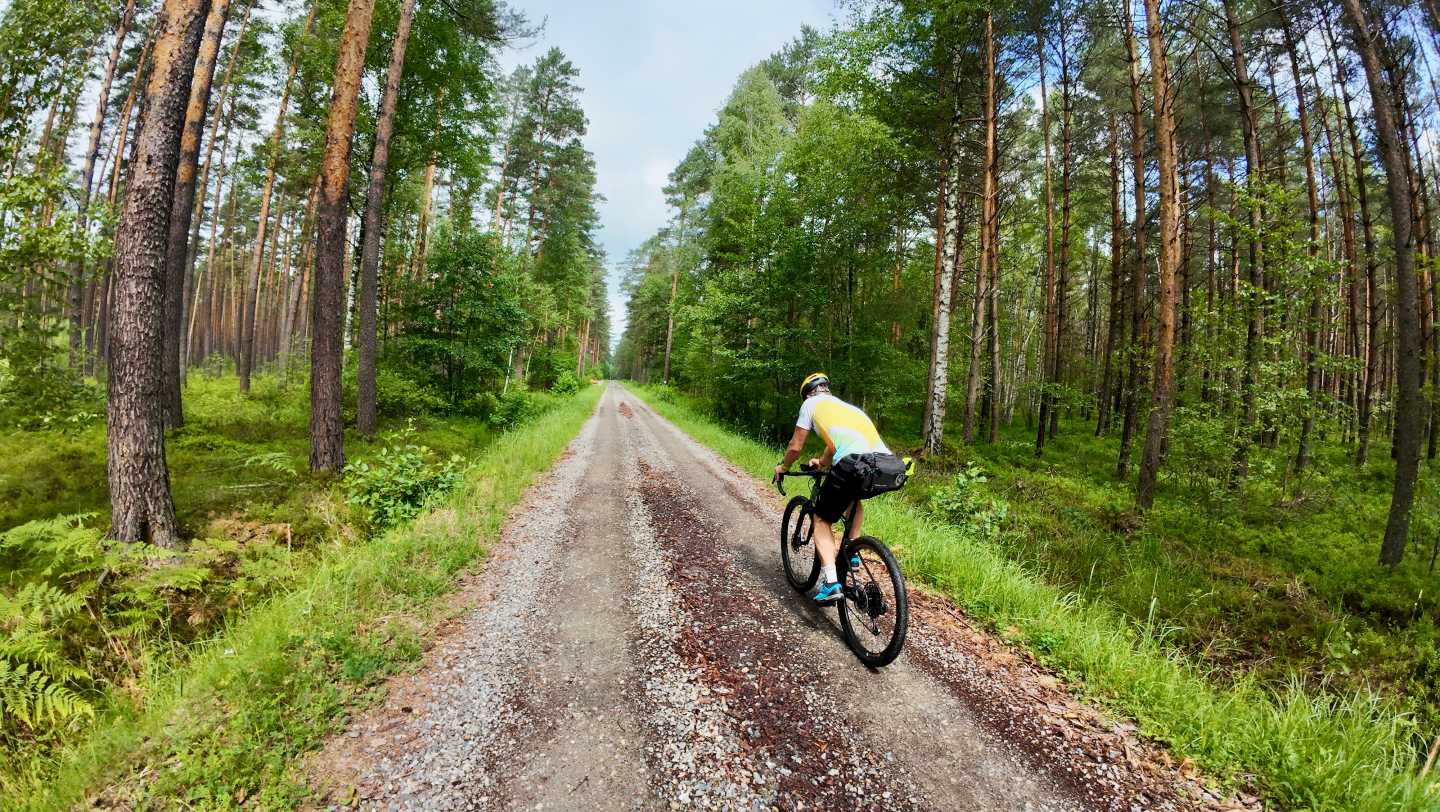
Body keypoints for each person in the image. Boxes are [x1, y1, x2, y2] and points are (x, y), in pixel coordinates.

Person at [772, 373, 900, 604]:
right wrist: (821, 464)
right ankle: (851, 552)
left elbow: (795, 445)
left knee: (821, 519)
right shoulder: (848, 408)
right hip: (884, 464)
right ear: (826, 389)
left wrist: (784, 466)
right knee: (853, 498)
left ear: (807, 393)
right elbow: (835, 446)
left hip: (853, 462)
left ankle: (831, 581)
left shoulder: (810, 404)